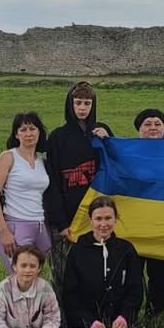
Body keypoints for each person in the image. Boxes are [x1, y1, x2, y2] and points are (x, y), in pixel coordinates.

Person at [44, 82, 113, 292]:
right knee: (63, 274)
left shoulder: (101, 132)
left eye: (87, 103)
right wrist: (61, 222)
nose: (82, 108)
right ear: (70, 104)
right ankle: (61, 313)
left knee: (94, 272)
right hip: (67, 218)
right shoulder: (57, 137)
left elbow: (115, 167)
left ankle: (91, 312)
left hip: (96, 217)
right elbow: (52, 181)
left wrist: (108, 141)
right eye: (78, 103)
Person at [62, 196, 146, 328]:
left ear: (116, 219)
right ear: (90, 220)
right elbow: (70, 295)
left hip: (118, 321)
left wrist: (124, 317)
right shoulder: (78, 250)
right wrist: (89, 322)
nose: (103, 224)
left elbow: (135, 290)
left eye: (108, 218)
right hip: (87, 322)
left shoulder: (126, 250)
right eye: (98, 219)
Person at [0, 112, 52, 272]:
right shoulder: (8, 157)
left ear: (39, 132)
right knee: (20, 277)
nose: (28, 134)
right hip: (16, 225)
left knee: (35, 278)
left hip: (40, 226)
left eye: (32, 129)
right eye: (23, 130)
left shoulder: (42, 161)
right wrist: (3, 231)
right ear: (16, 134)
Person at [0, 246, 71, 328]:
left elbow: (53, 317)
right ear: (14, 266)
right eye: (23, 265)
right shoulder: (3, 289)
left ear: (39, 268)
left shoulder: (45, 288)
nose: (27, 270)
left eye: (32, 266)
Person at [133, 108, 164, 316]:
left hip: (162, 226)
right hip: (134, 225)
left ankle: (154, 314)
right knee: (133, 273)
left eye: (158, 124)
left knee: (160, 274)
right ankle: (130, 314)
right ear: (139, 129)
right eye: (147, 124)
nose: (153, 128)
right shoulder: (128, 152)